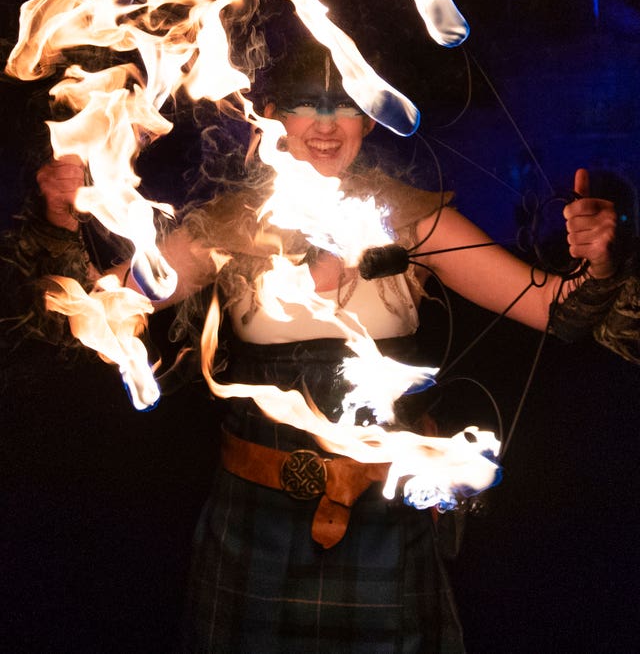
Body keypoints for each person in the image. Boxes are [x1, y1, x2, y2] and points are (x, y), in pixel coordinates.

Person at [23, 37, 635, 653]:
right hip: (253, 523)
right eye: (304, 104)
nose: (324, 125)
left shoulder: (413, 220)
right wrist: (61, 218)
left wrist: (597, 261)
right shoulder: (228, 224)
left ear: (370, 116)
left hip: (383, 521)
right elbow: (100, 312)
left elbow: (556, 313)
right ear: (272, 117)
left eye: (342, 105)